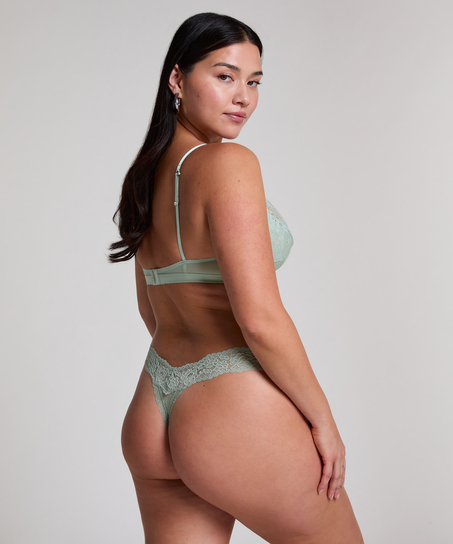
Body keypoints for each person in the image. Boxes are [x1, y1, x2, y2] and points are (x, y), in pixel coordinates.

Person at [109, 12, 364, 544]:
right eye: (225, 76)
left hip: (153, 408)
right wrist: (323, 421)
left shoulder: (145, 176)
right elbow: (260, 319)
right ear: (177, 79)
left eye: (254, 81)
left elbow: (151, 310)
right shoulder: (227, 164)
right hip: (229, 410)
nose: (243, 97)